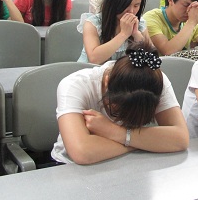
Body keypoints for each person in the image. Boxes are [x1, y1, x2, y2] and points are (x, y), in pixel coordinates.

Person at [52, 48, 189, 165]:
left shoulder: (154, 81)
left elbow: (180, 139)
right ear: (107, 82)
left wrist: (114, 132)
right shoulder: (74, 85)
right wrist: (144, 143)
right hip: (72, 167)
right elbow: (82, 152)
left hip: (135, 162)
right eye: (117, 111)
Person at [78, 0, 151, 64]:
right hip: (92, 71)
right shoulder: (93, 23)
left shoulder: (139, 23)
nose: (131, 11)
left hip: (123, 72)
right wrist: (124, 34)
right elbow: (94, 59)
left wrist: (136, 35)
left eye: (136, 5)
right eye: (126, 5)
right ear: (114, 2)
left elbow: (152, 60)